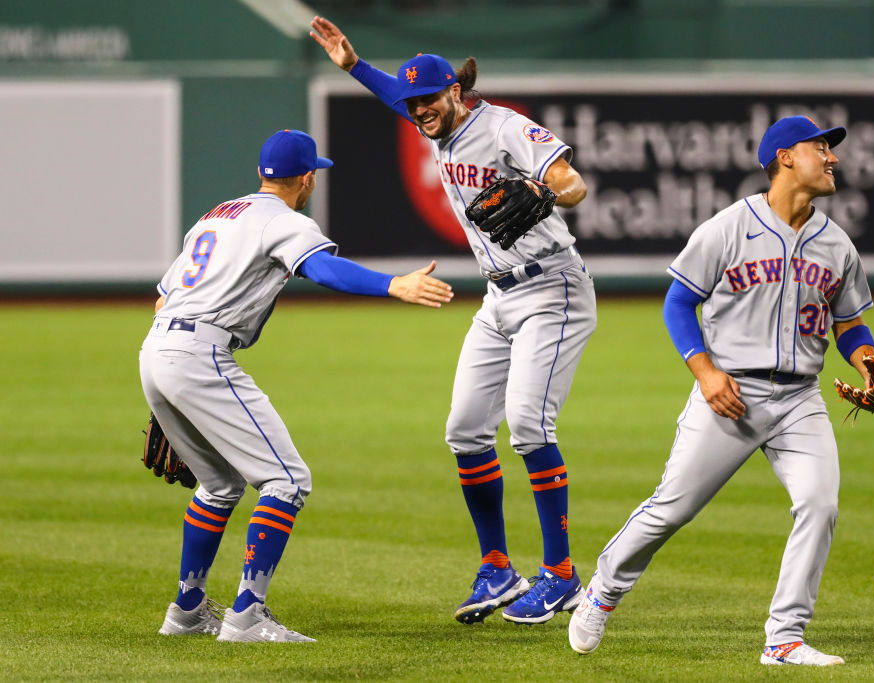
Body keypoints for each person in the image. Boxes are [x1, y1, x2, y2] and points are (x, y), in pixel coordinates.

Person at [310, 16, 597, 625]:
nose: (419, 110)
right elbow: (399, 94)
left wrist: (547, 191)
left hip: (553, 288)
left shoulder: (503, 127)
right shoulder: (431, 121)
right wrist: (354, 66)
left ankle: (563, 576)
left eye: (429, 99)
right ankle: (496, 566)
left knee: (526, 423)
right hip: (499, 299)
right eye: (413, 103)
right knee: (465, 429)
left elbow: (574, 183)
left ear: (455, 94)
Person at [569, 116, 874, 666]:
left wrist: (868, 362)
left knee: (820, 503)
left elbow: (849, 323)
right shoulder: (728, 228)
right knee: (671, 509)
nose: (832, 158)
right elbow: (677, 302)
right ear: (785, 157)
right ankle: (604, 590)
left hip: (799, 399)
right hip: (730, 393)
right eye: (820, 148)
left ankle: (784, 638)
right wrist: (705, 372)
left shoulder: (836, 245)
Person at [140, 128, 453, 642]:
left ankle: (187, 612)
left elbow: (163, 299)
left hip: (157, 349)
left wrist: (172, 393)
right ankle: (246, 615)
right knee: (287, 481)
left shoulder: (216, 214)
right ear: (307, 178)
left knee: (220, 486)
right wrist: (394, 284)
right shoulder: (286, 221)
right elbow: (323, 268)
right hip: (199, 356)